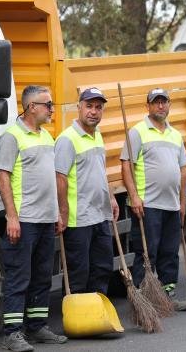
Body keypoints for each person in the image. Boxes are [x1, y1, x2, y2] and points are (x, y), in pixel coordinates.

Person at [0, 85, 67, 351]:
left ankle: (37, 327)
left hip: (46, 220)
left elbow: (53, 179)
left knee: (41, 277)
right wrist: (12, 217)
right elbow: (3, 177)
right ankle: (12, 333)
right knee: (18, 277)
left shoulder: (47, 137)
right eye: (48, 104)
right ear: (31, 107)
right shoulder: (12, 137)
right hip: (24, 221)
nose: (51, 109)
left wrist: (58, 213)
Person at [121, 88, 186, 309]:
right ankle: (144, 297)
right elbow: (126, 165)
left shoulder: (175, 135)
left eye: (164, 102)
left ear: (169, 105)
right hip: (148, 204)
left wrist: (182, 202)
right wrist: (134, 197)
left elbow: (183, 169)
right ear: (148, 106)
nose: (160, 106)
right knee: (146, 252)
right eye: (156, 102)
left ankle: (166, 295)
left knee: (169, 252)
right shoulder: (137, 132)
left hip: (171, 204)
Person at [55, 87, 119, 301]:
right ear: (79, 107)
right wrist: (63, 212)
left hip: (100, 215)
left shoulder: (97, 135)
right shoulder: (67, 139)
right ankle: (76, 321)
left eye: (98, 107)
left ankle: (97, 316)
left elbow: (100, 171)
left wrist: (110, 197)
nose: (94, 111)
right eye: (89, 106)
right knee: (78, 273)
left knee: (102, 268)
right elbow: (60, 178)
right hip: (78, 219)